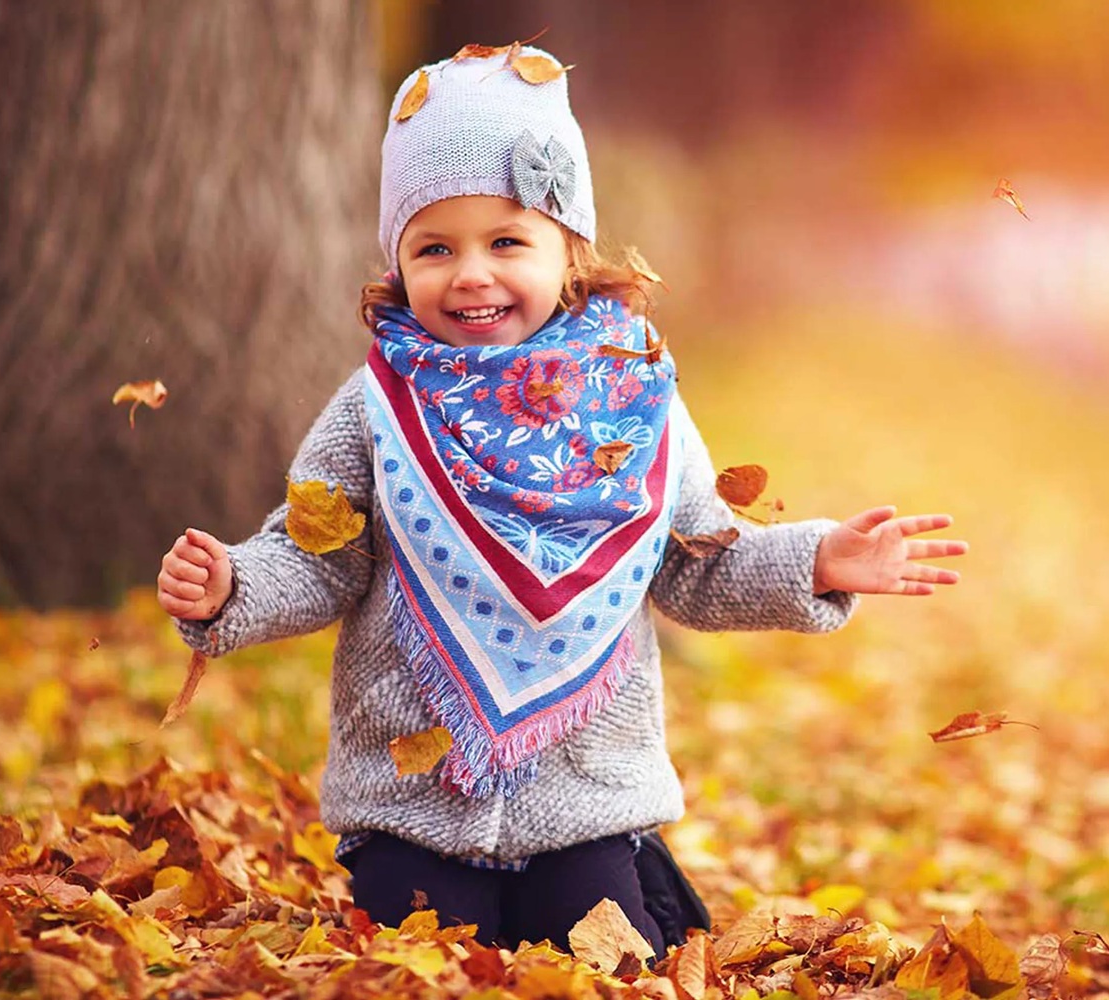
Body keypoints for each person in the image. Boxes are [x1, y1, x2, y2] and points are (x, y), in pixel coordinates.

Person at [156, 44, 967, 956]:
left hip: (585, 799)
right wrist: (234, 587)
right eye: (434, 248)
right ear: (399, 262)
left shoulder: (633, 396)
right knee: (414, 950)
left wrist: (814, 560)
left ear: (568, 249)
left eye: (506, 242)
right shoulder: (379, 405)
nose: (471, 272)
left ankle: (633, 877)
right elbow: (318, 556)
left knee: (604, 952)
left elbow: (695, 564)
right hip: (412, 801)